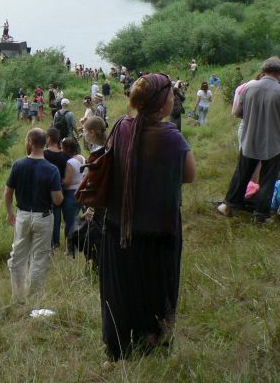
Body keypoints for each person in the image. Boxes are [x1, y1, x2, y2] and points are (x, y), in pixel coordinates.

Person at [100, 73, 196, 362]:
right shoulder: (171, 136)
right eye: (170, 95)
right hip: (158, 232)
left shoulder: (120, 126)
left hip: (118, 227)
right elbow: (190, 176)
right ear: (160, 104)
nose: (173, 99)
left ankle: (118, 347)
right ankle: (152, 343)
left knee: (120, 290)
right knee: (156, 289)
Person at [218, 57, 280, 222]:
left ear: (264, 70)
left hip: (249, 139)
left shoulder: (249, 87)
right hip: (273, 143)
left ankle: (230, 206)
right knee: (267, 179)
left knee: (241, 174)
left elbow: (238, 113)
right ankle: (260, 215)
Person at [4, 128, 63, 303]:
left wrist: (9, 212)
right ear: (44, 143)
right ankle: (34, 298)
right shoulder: (52, 169)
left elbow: (8, 193)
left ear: (30, 142)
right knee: (39, 259)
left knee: (17, 257)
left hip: (22, 215)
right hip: (43, 217)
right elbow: (57, 199)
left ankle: (18, 297)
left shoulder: (18, 165)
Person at [44, 127, 69, 251]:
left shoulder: (43, 155)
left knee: (46, 217)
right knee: (57, 218)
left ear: (48, 138)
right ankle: (56, 242)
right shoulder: (64, 156)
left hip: (45, 191)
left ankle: (49, 242)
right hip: (60, 190)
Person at [60, 137, 85, 256]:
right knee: (75, 219)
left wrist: (58, 181)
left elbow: (68, 181)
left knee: (69, 222)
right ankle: (77, 244)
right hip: (81, 191)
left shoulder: (70, 163)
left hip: (71, 193)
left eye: (62, 147)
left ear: (66, 148)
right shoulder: (82, 158)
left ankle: (70, 249)